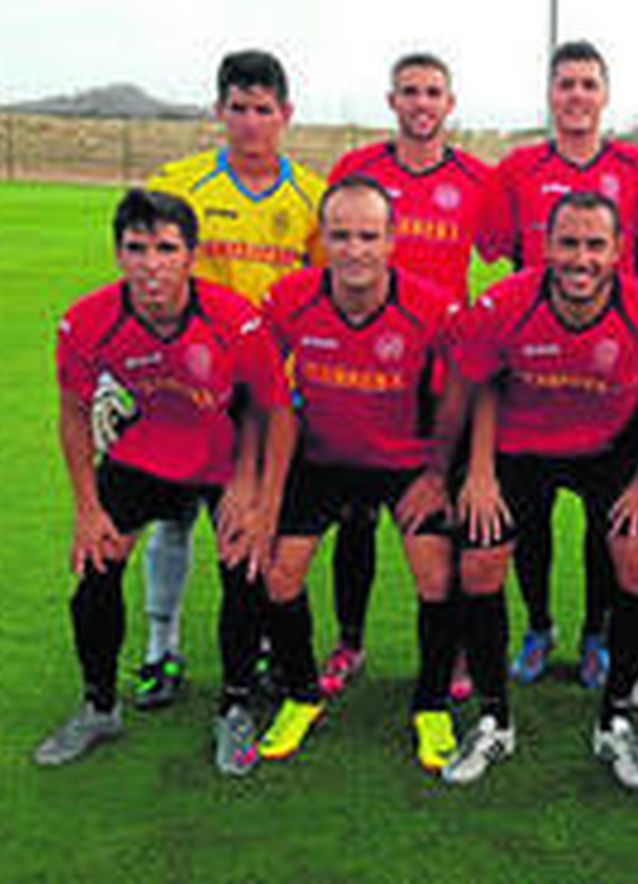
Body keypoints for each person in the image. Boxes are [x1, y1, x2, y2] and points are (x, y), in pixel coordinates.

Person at [34, 188, 293, 776]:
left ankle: (233, 707)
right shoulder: (87, 320)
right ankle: (99, 707)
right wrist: (86, 507)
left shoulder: (235, 319)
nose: (152, 263)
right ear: (119, 254)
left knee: (244, 562)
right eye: (137, 248)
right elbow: (74, 411)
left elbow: (272, 411)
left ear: (191, 255)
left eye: (166, 248)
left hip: (224, 456)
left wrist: (256, 496)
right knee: (96, 565)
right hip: (145, 453)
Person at [448, 191, 638, 786]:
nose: (580, 258)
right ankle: (493, 720)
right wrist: (478, 471)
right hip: (518, 446)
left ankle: (613, 721)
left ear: (617, 252)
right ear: (545, 247)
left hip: (609, 448)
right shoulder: (504, 304)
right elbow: (481, 384)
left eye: (595, 245)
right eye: (568, 243)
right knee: (480, 563)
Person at [253, 177, 470, 768]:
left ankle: (431, 706)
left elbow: (460, 396)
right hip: (323, 460)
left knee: (435, 574)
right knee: (279, 573)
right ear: (322, 239)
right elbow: (261, 389)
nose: (354, 250)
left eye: (368, 236)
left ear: (393, 240)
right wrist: (258, 488)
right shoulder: (288, 298)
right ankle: (301, 695)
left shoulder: (432, 308)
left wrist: (436, 472)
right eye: (341, 236)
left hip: (404, 464)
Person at [136, 50, 325, 710]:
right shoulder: (178, 186)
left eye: (263, 109)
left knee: (256, 523)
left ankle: (266, 649)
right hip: (186, 390)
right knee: (173, 519)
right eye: (238, 108)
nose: (250, 122)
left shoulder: (311, 197)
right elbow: (146, 280)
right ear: (219, 110)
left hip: (270, 396)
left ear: (286, 115)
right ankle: (162, 650)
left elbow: (322, 293)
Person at [476, 40, 638, 690]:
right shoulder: (517, 170)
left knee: (607, 520)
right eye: (565, 84)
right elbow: (498, 253)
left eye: (588, 83)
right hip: (533, 371)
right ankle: (540, 624)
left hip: (612, 373)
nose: (576, 95)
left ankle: (595, 634)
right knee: (527, 519)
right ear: (550, 95)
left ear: (604, 94)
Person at [320, 52, 491, 702]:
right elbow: (327, 258)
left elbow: (519, 254)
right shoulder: (355, 171)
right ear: (391, 101)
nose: (422, 103)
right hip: (363, 373)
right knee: (355, 517)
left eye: (433, 93)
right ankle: (350, 641)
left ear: (451, 103)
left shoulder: (479, 178)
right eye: (410, 92)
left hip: (440, 379)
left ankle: (454, 654)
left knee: (441, 520)